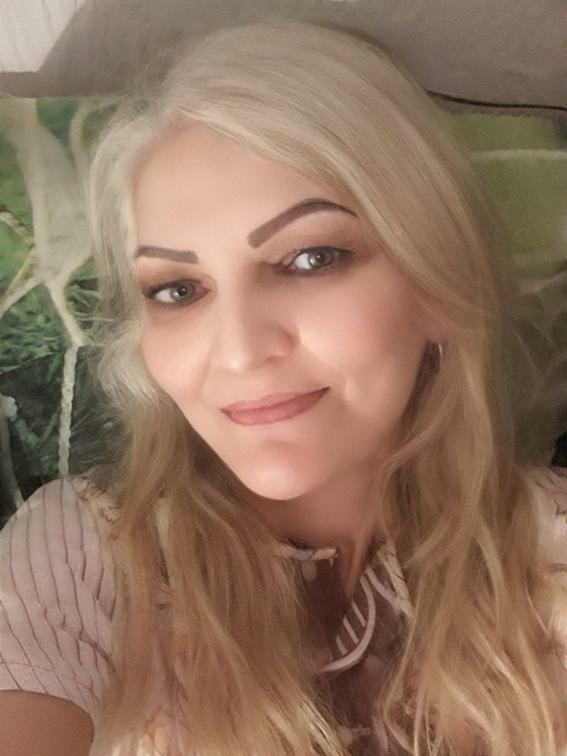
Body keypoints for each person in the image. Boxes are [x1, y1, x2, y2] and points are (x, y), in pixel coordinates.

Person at [1, 16, 566, 756]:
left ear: (436, 284)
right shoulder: (87, 554)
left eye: (311, 259)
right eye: (177, 290)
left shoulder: (548, 550)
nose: (238, 352)